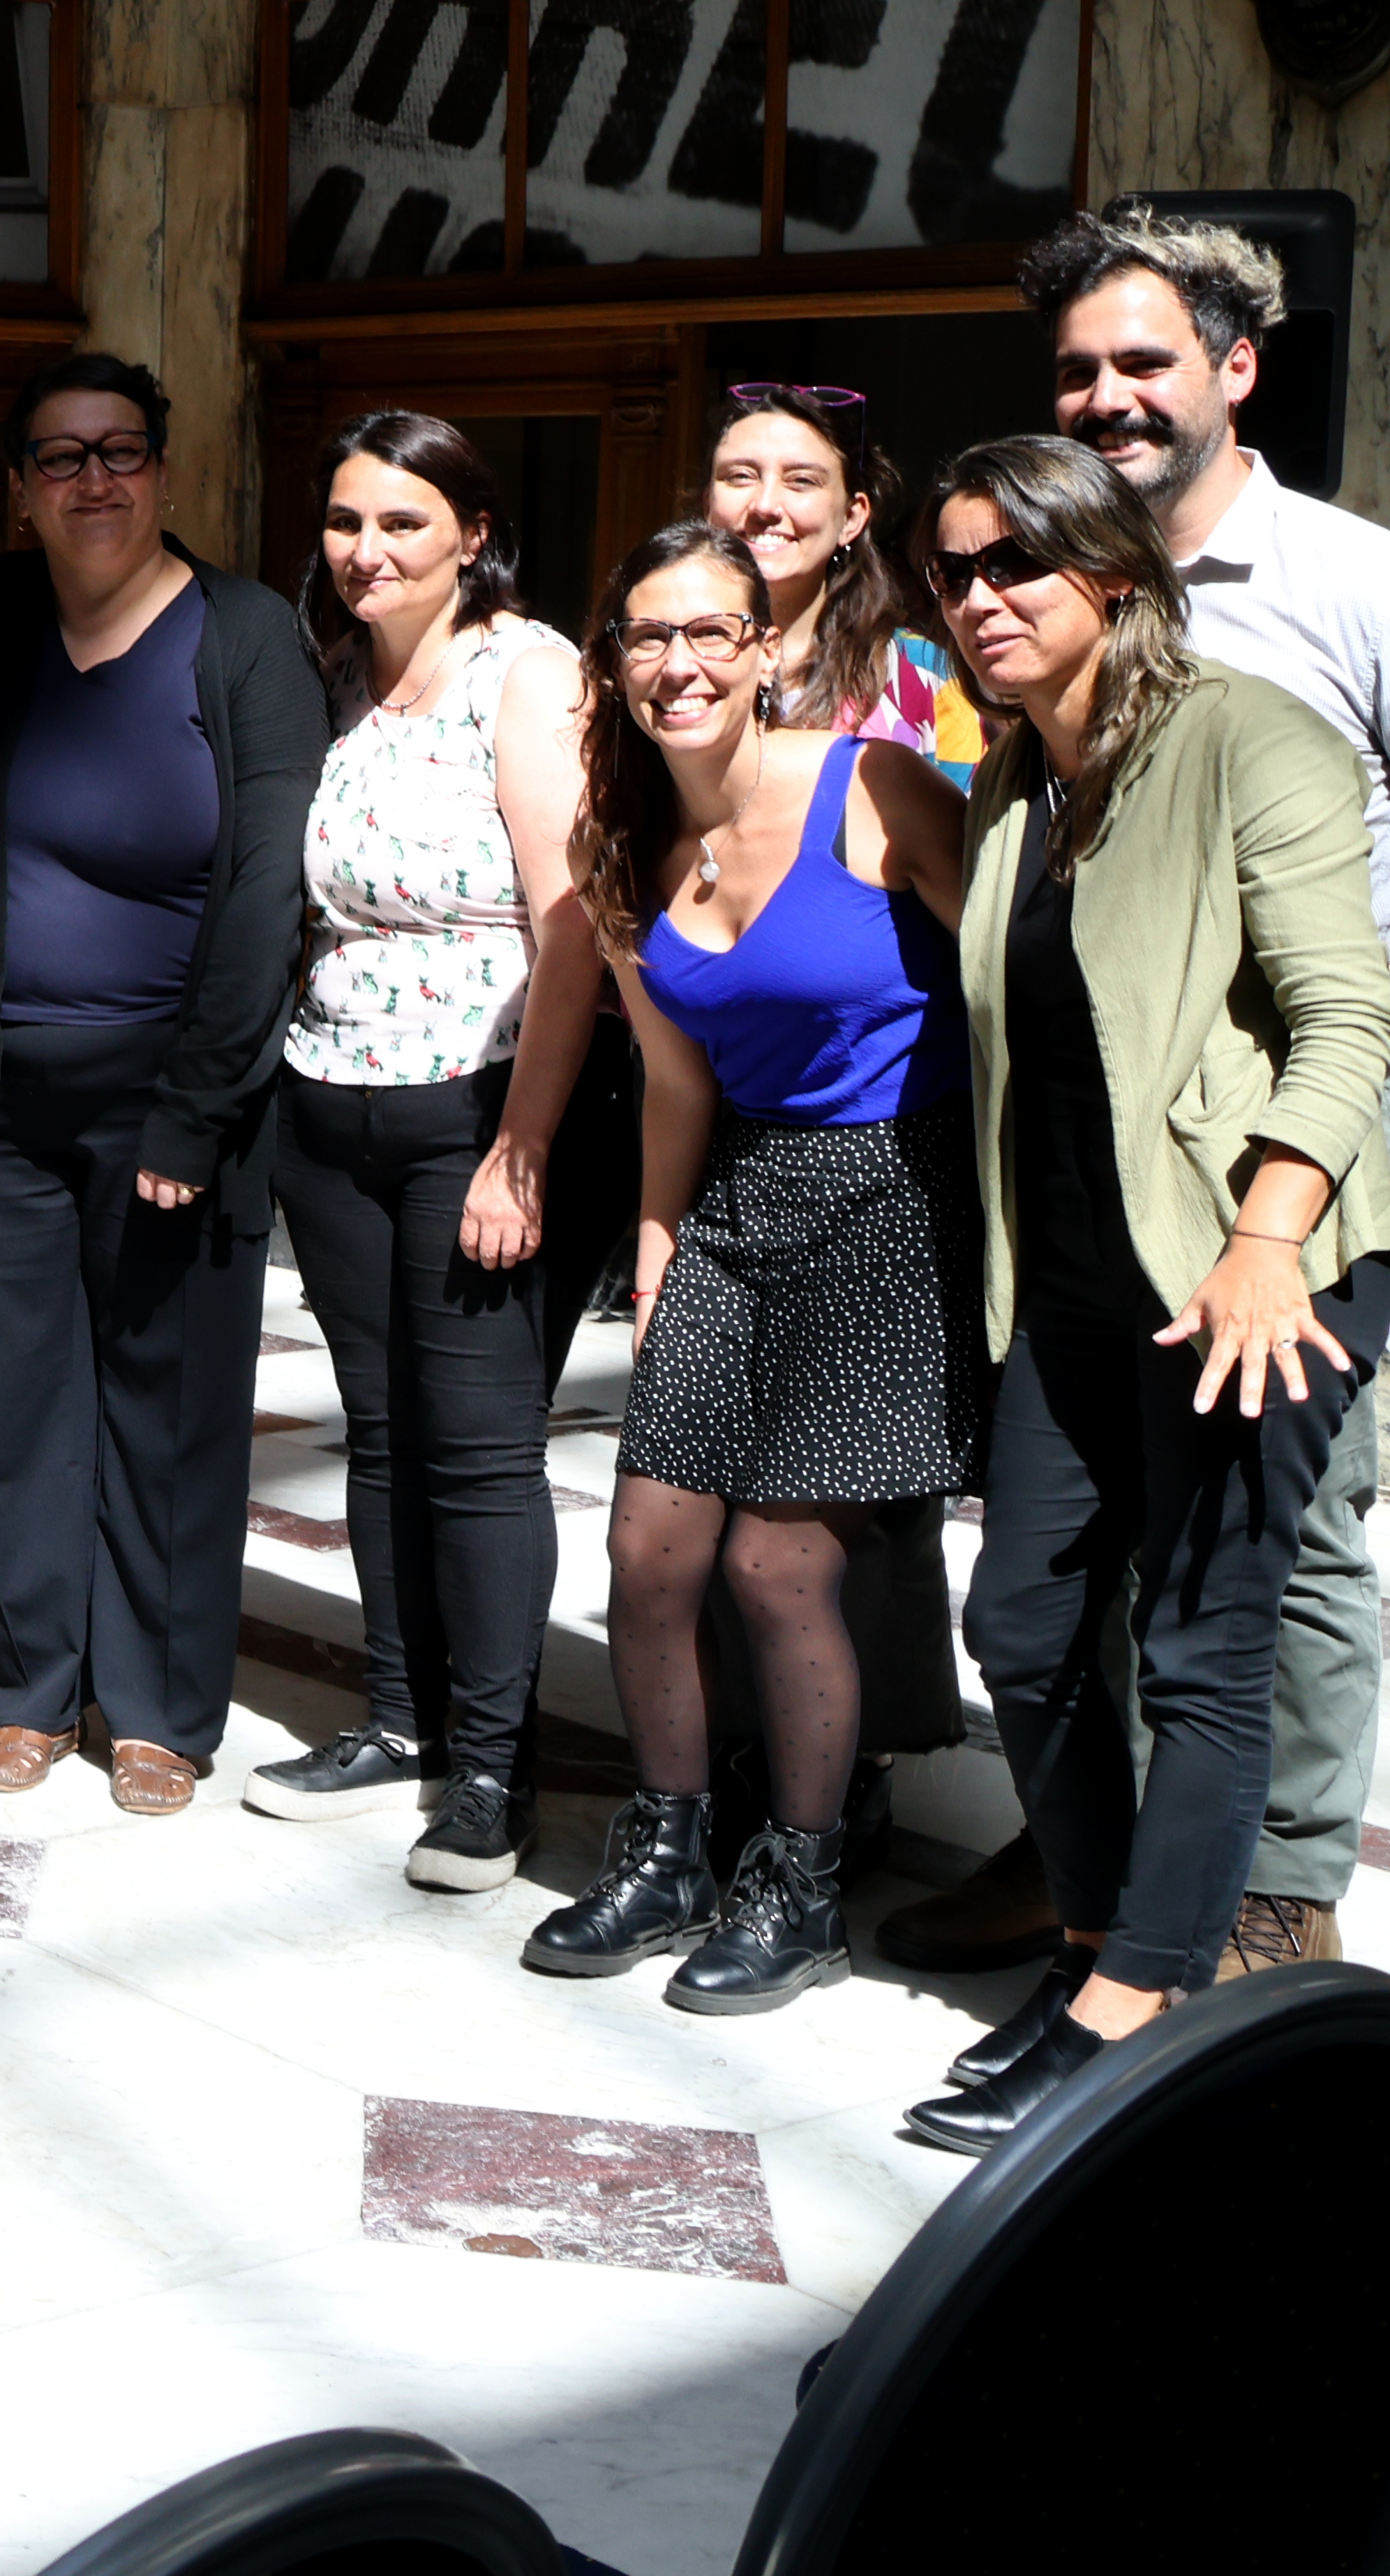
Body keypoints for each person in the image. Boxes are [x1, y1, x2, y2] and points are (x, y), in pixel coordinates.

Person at [904, 438, 1390, 2152]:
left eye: (1015, 561)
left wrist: (1269, 1232)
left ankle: (1137, 1996)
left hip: (1248, 1270)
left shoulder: (1256, 738)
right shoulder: (1013, 784)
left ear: (1114, 572)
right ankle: (1102, 1937)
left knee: (1202, 1637)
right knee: (1026, 1624)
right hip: (1077, 1280)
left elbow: (1351, 1019)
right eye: (954, 569)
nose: (976, 597)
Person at [521, 526, 976, 2017]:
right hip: (732, 1201)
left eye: (713, 633)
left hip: (885, 1197)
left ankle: (801, 1884)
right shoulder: (625, 843)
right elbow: (674, 1082)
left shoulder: (873, 785)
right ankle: (666, 1852)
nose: (682, 664)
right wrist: (657, 1251)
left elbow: (1016, 984)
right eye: (649, 638)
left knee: (780, 1568)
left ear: (766, 647)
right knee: (650, 1552)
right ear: (616, 664)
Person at [1019, 202, 1390, 1985]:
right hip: (1102, 1148)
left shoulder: (1349, 582)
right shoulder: (1038, 587)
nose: (1107, 397)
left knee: (1287, 1528)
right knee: (1089, 1522)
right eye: (1078, 368)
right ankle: (1106, 1856)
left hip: (1306, 1145)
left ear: (1236, 371)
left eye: (1143, 361)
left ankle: (1276, 1882)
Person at [0, 354, 326, 1816]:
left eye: (122, 451)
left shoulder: (248, 636)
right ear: (20, 490)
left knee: (171, 1404)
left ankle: (154, 1706)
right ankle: (29, 1689)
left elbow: (271, 880)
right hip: (0, 1098)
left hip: (173, 1095)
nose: (96, 479)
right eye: (61, 456)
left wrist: (200, 1105)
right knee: (17, 1403)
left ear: (164, 469)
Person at [247, 413, 597, 1891]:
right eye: (343, 521)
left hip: (473, 1102)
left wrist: (523, 1144)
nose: (365, 550)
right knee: (381, 1434)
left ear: (472, 530)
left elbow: (572, 921)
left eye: (401, 521)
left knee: (475, 1447)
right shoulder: (339, 679)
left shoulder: (523, 672)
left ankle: (495, 1770)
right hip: (327, 1105)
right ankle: (400, 1720)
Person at [706, 380, 982, 779]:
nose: (765, 505)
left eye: (801, 480)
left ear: (852, 518)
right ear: (708, 506)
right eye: (740, 477)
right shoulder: (656, 666)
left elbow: (973, 835)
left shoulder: (925, 679)